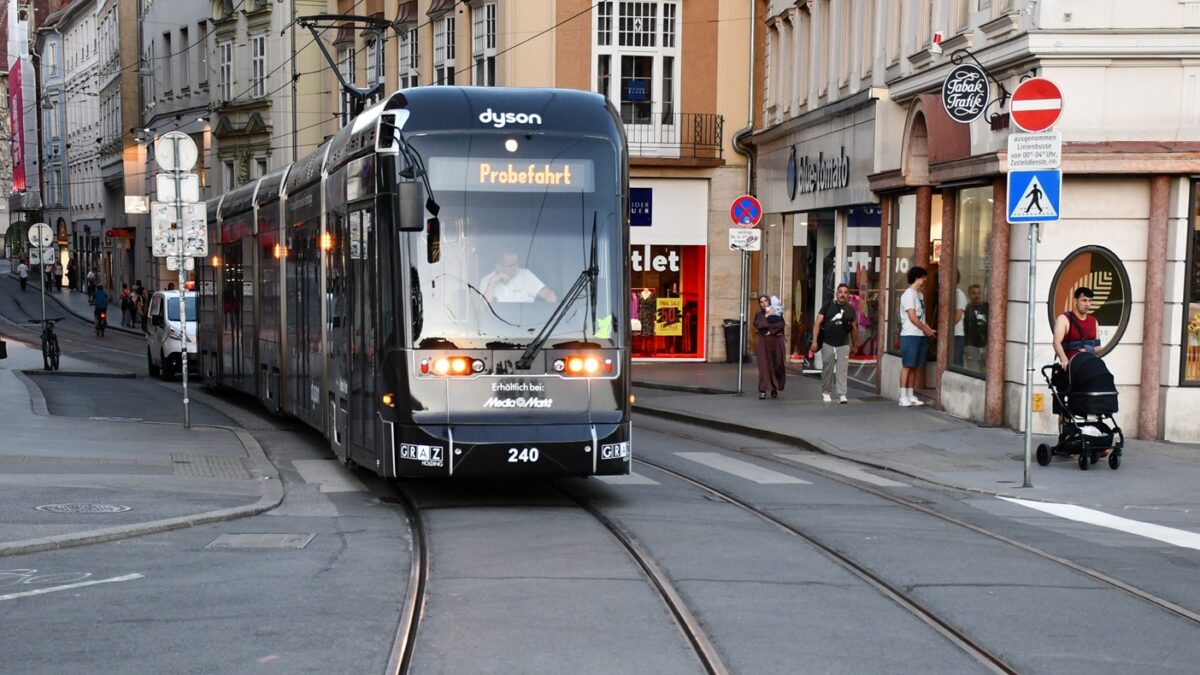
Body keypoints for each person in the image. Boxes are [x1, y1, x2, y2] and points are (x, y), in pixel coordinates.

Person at [810, 283, 858, 404]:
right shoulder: (827, 305)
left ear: (848, 295)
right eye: (840, 292)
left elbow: (854, 327)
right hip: (828, 342)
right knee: (827, 368)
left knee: (843, 369)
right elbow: (817, 323)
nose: (842, 294)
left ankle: (842, 394)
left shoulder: (850, 309)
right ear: (836, 293)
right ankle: (826, 392)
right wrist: (815, 341)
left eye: (845, 292)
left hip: (843, 343)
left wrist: (855, 344)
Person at [898, 266, 936, 407]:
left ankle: (910, 394)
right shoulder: (908, 294)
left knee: (915, 366)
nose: (925, 280)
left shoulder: (919, 295)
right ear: (917, 277)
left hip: (919, 334)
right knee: (907, 365)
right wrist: (926, 329)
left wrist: (926, 329)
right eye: (923, 277)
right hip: (909, 334)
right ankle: (903, 396)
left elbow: (921, 316)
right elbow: (912, 317)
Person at [479, 252, 556, 303]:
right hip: (494, 326)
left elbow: (549, 295)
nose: (515, 268)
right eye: (510, 266)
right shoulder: (486, 281)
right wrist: (492, 282)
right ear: (498, 266)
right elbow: (482, 309)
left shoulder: (525, 275)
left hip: (526, 325)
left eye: (515, 264)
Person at [1053, 286, 1099, 368]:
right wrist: (1064, 360)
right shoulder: (1064, 319)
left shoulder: (1094, 321)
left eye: (1090, 301)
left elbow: (1098, 347)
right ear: (1075, 301)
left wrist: (1088, 350)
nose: (1087, 304)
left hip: (1089, 366)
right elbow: (1056, 342)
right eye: (1084, 300)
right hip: (1071, 367)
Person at [753, 294, 786, 400]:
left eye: (765, 301)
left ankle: (774, 387)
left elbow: (780, 325)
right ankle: (763, 390)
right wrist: (766, 316)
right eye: (761, 302)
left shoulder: (777, 311)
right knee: (764, 365)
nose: (763, 304)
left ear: (769, 301)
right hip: (764, 343)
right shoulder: (759, 314)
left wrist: (769, 330)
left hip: (776, 342)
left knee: (777, 363)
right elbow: (758, 325)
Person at [963, 284, 989, 370]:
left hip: (986, 345)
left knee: (986, 371)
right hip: (972, 345)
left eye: (978, 293)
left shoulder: (987, 307)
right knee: (973, 370)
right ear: (969, 295)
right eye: (973, 293)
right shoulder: (968, 308)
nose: (976, 295)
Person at [953, 272, 968, 367]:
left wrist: (947, 328)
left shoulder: (959, 294)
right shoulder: (952, 294)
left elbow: (958, 315)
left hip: (957, 334)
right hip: (953, 335)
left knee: (957, 362)